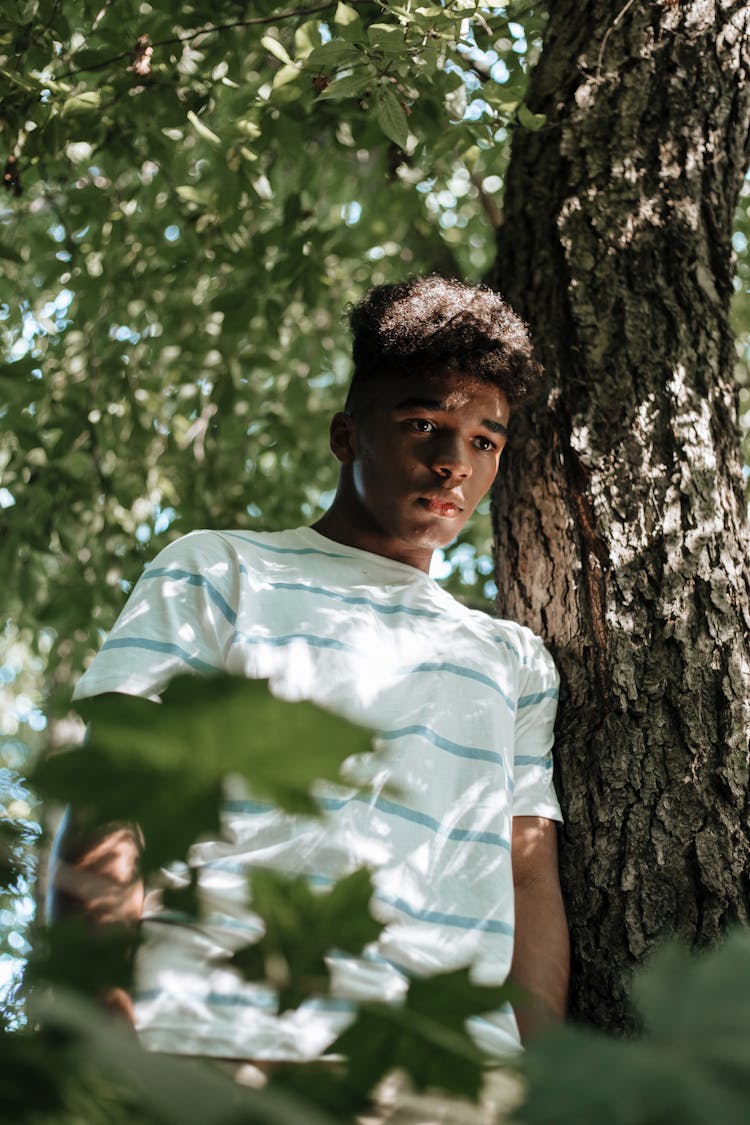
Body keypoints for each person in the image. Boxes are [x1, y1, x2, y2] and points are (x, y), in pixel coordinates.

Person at [51, 275, 569, 1078]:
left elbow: (529, 878)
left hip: (446, 1075)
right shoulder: (220, 570)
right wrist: (99, 1036)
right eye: (422, 424)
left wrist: (548, 1086)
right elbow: (115, 796)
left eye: (483, 441)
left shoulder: (514, 658)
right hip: (218, 1041)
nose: (450, 463)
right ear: (346, 435)